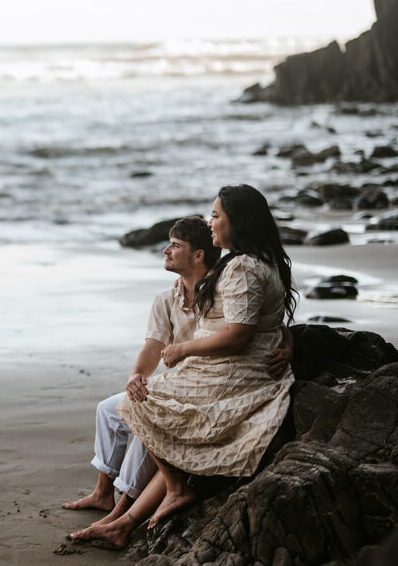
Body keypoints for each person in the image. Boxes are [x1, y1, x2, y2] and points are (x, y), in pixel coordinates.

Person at [116, 184, 297, 530]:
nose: (210, 223)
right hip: (241, 367)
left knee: (135, 402)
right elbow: (267, 321)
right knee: (140, 397)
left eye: (216, 216)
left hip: (235, 371)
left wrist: (183, 349)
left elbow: (240, 335)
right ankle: (126, 514)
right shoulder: (260, 261)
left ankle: (176, 488)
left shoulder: (243, 267)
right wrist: (288, 342)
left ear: (237, 222)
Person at [62, 217, 219, 522]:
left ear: (198, 255)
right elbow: (152, 347)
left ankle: (126, 507)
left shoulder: (219, 292)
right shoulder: (165, 299)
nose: (165, 250)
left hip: (205, 386)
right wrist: (137, 376)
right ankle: (102, 494)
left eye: (175, 245)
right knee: (109, 409)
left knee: (144, 415)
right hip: (178, 382)